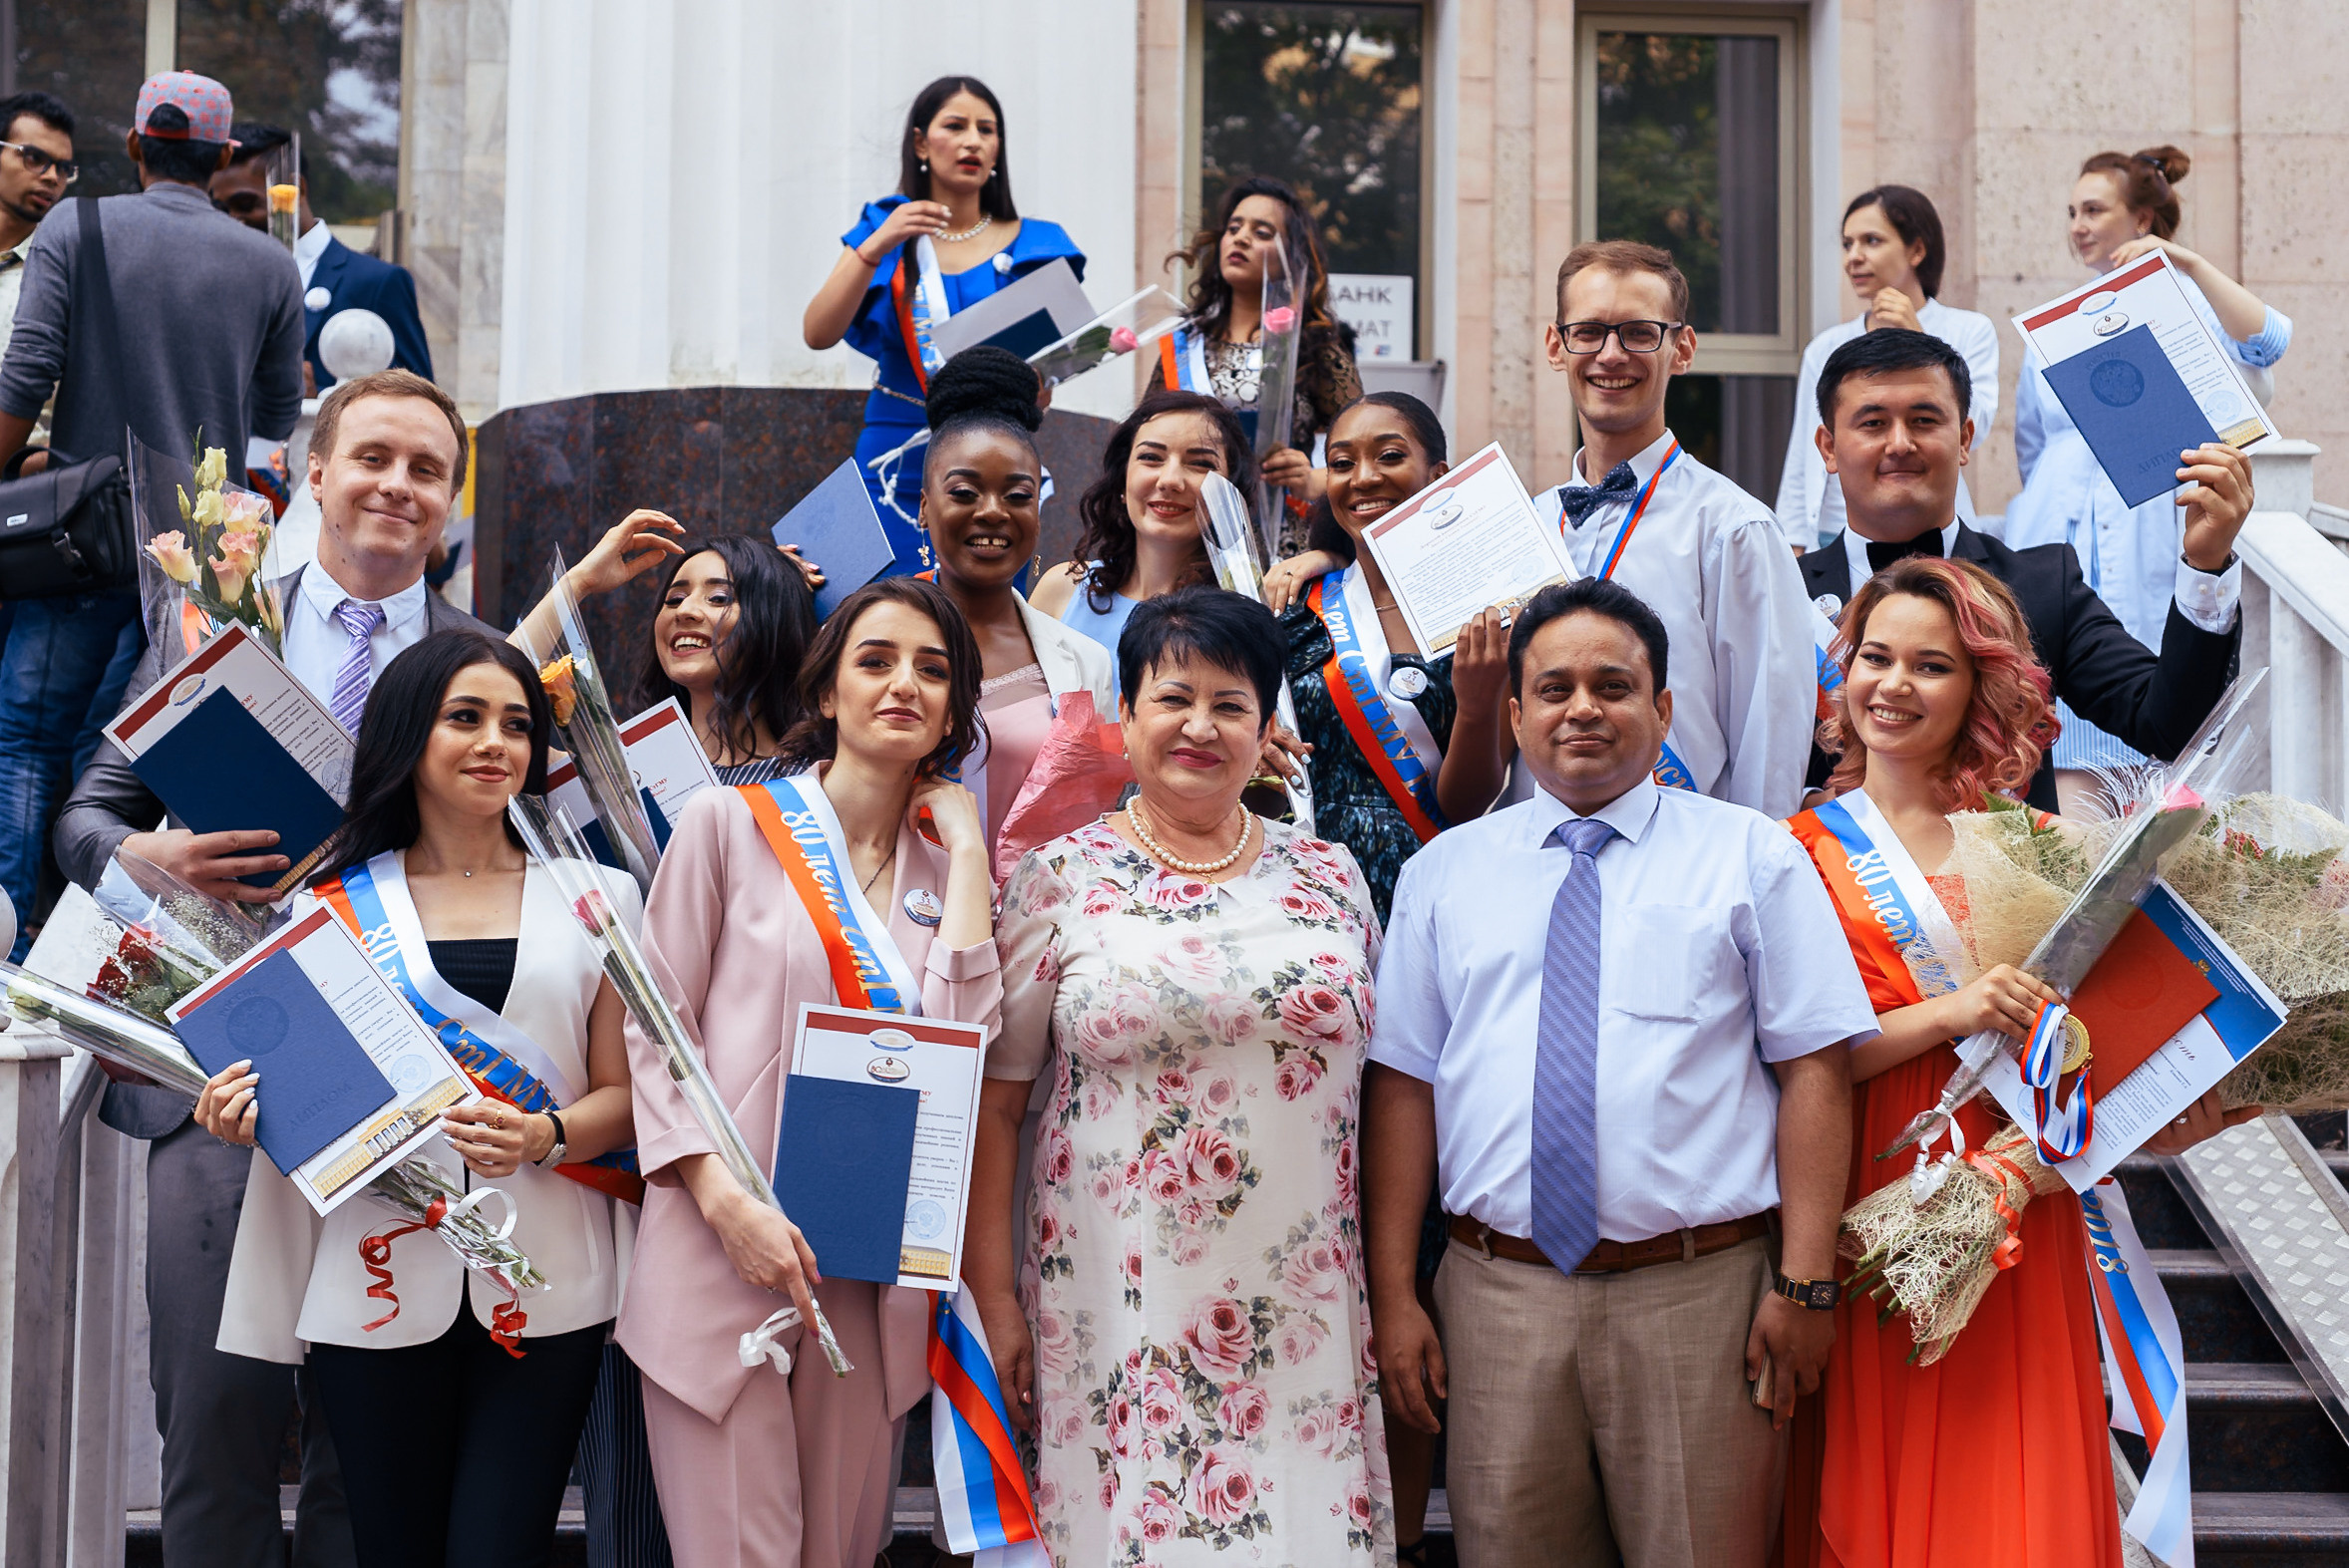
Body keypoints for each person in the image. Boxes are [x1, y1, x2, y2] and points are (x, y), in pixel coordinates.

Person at [53, 367, 486, 1568]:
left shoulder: (481, 665)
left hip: (402, 1094)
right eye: (374, 458)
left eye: (426, 471)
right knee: (215, 1434)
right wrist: (156, 849)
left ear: (450, 502)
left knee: (371, 1453)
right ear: (309, 472)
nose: (398, 486)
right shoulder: (216, 624)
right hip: (217, 1087)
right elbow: (82, 822)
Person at [1363, 577, 1876, 1568]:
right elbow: (1402, 1090)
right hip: (1496, 1295)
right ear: (1511, 713)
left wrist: (1805, 1284)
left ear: (1664, 709)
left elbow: (1814, 1067)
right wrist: (1396, 1294)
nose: (1582, 709)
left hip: (1701, 1298)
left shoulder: (1751, 857)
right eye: (1552, 688)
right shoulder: (1444, 874)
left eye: (1613, 684)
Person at [1779, 555, 2258, 1566]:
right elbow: (1790, 1062)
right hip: (1870, 1210)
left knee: (2008, 1502)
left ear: (1980, 690)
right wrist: (1952, 1008)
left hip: (2014, 1210)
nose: (1893, 684)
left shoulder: (2042, 845)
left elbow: (2108, 1050)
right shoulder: (1786, 853)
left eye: (1931, 665)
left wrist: (2204, 1088)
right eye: (1874, 658)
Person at [198, 629, 641, 1568]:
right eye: (465, 717)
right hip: (372, 1276)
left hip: (547, 1282)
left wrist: (542, 1131)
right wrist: (243, 1114)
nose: (495, 742)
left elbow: (632, 1098)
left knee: (500, 1549)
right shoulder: (324, 909)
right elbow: (301, 1106)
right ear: (410, 734)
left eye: (517, 725)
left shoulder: (600, 896)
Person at [975, 585, 1395, 1563]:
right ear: (1125, 718)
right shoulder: (1055, 879)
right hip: (1119, 1315)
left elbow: (1380, 1097)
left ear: (1265, 727)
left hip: (1305, 1307)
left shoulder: (1331, 877)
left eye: (1230, 703)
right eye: (1173, 698)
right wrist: (997, 1299)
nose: (1199, 726)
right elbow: (998, 1110)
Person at [616, 575, 998, 1568]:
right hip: (719, 1242)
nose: (903, 683)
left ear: (955, 709)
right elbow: (656, 1027)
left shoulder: (940, 876)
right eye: (875, 660)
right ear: (826, 694)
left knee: (838, 1552)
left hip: (867, 1267)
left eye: (932, 668)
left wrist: (965, 855)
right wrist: (717, 1195)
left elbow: (960, 1053)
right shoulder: (726, 826)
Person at [0, 75, 303, 966]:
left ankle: (14, 962)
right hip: (204, 565)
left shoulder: (76, 226)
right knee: (147, 774)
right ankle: (112, 962)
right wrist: (235, 548)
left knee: (26, 742)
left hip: (79, 547)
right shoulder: (269, 265)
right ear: (221, 159)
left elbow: (24, 383)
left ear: (134, 147)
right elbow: (277, 424)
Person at [1799, 328, 2253, 813]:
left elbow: (2171, 728)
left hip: (2008, 885)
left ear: (1964, 439)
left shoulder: (2041, 585)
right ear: (1828, 447)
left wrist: (2206, 566)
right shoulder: (1783, 592)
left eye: (1924, 420)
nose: (1900, 443)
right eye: (1872, 423)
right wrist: (1807, 801)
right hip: (1826, 876)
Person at [2001, 147, 2290, 811]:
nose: (2078, 224)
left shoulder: (2186, 299)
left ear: (2143, 218)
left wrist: (2183, 262)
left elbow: (2266, 349)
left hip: (2150, 518)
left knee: (2151, 691)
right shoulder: (2054, 319)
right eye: (2071, 211)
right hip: (2059, 521)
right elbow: (2030, 442)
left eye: (2094, 209)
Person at [1530, 240, 1820, 820]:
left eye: (1639, 332)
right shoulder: (1527, 524)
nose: (1611, 355)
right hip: (1538, 856)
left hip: (1685, 871)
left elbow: (1771, 736)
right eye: (1588, 331)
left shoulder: (1734, 529)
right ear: (1556, 347)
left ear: (1682, 348)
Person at [802, 76, 1084, 571]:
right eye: (955, 125)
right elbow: (818, 333)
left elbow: (1052, 371)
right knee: (877, 608)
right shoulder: (886, 227)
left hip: (991, 461)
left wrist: (1039, 388)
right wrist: (875, 246)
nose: (973, 140)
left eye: (987, 129)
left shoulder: (1037, 243)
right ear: (920, 142)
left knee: (981, 617)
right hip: (893, 455)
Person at [912, 346, 1116, 860]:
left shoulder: (1084, 661)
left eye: (1017, 496)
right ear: (923, 508)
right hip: (892, 922)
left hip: (1036, 923)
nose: (993, 512)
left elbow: (1099, 820)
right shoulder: (863, 643)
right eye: (964, 492)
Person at [1775, 186, 1999, 551]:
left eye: (1872, 241)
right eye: (1847, 244)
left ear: (1917, 250)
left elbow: (1976, 428)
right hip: (1834, 534)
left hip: (1936, 536)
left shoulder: (1970, 330)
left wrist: (1918, 338)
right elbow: (1803, 452)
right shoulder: (1825, 347)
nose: (1854, 257)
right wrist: (1795, 544)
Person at [1162, 174, 1362, 547]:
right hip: (1195, 536)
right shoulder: (1186, 344)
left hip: (1285, 541)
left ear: (1292, 255)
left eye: (1263, 232)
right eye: (1234, 228)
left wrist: (1312, 478)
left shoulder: (1317, 344)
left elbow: (1361, 451)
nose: (1240, 238)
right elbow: (1147, 435)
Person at [1028, 386, 1256, 691]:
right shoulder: (1062, 589)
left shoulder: (1245, 609)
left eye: (1200, 463)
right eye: (1151, 457)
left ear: (1230, 491)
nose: (1170, 480)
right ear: (1122, 481)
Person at [210, 123, 436, 388]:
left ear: (297, 190)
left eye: (246, 205)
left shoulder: (376, 283)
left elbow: (421, 402)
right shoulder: (218, 281)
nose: (235, 220)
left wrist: (320, 404)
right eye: (222, 210)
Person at [635, 530, 821, 784]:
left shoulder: (815, 786)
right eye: (675, 599)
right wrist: (580, 583)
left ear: (774, 622)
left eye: (719, 598)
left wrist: (776, 577)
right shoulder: (629, 773)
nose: (685, 610)